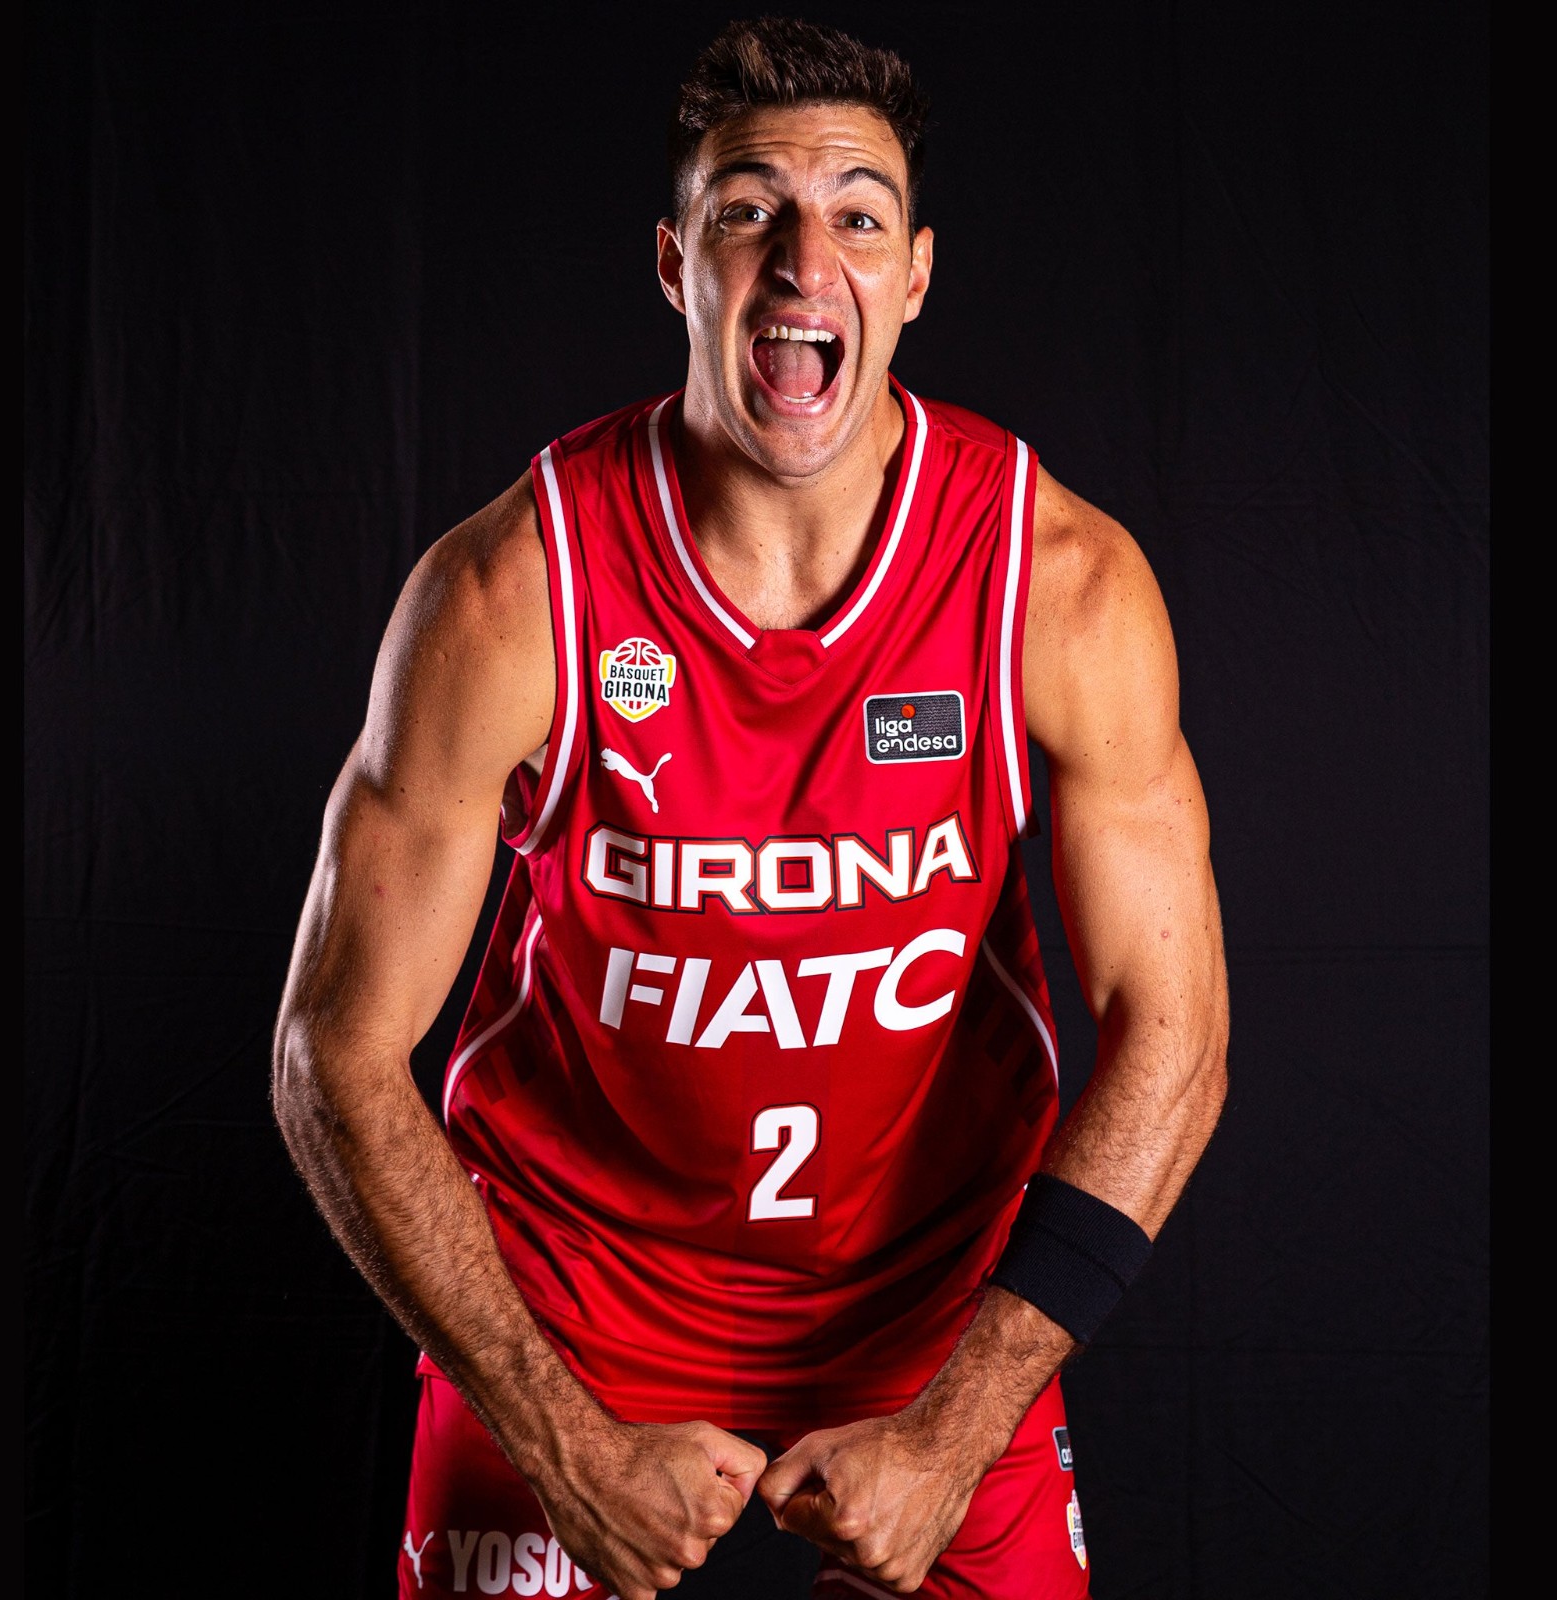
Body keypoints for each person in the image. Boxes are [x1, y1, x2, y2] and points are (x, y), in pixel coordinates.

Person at [273, 17, 1229, 1599]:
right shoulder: (512, 594)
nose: (804, 261)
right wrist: (558, 1434)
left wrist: (957, 1429)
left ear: (914, 275)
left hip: (931, 1324)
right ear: (677, 265)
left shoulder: (1055, 583)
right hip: (568, 1313)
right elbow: (334, 1049)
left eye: (857, 214)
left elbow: (1175, 1037)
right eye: (747, 211)